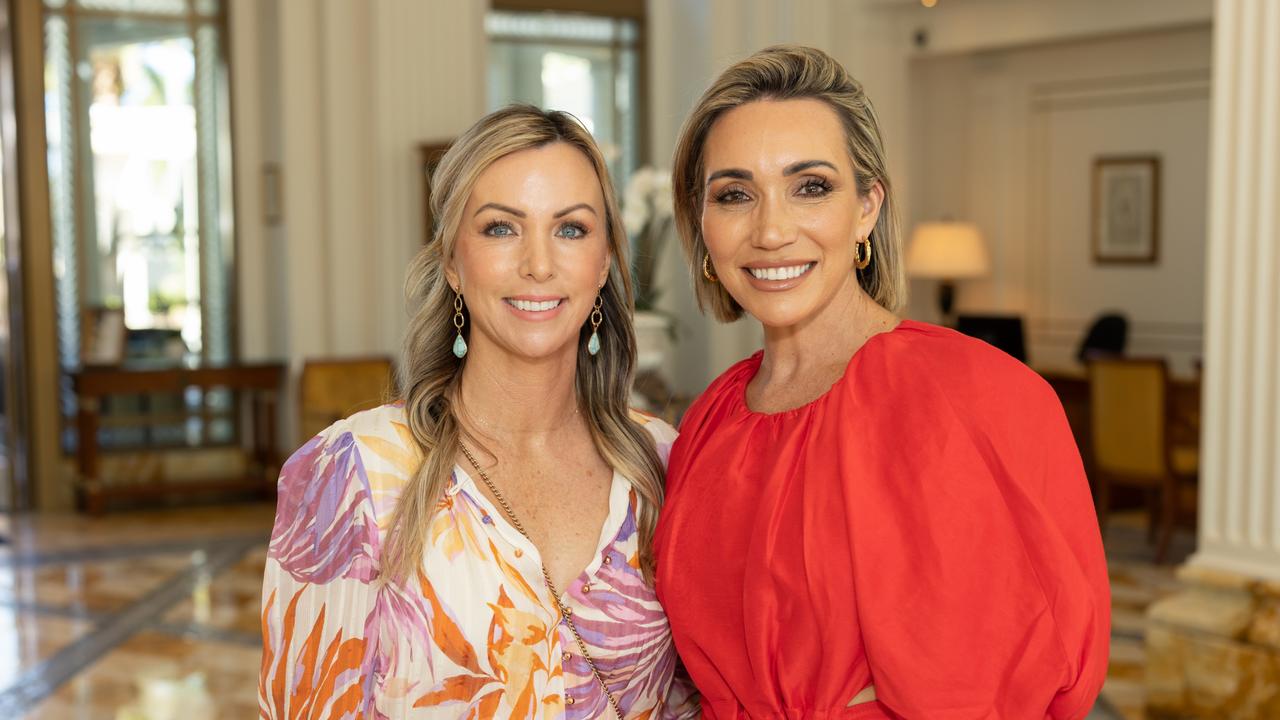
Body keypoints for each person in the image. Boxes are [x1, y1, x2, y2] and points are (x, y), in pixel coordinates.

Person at [653, 45, 1110, 719]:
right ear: (703, 227)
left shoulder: (973, 396)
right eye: (735, 194)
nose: (772, 229)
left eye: (811, 187)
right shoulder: (709, 421)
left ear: (867, 207)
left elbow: (1010, 682)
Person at [260, 104, 697, 719]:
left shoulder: (665, 463)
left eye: (570, 228)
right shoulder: (353, 474)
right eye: (501, 228)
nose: (538, 264)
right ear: (451, 264)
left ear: (603, 264)